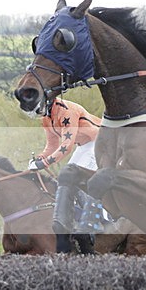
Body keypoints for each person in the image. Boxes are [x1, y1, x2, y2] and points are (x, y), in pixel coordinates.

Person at [27, 97, 101, 254]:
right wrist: (40, 158)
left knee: (74, 177)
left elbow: (66, 146)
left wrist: (44, 164)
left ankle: (93, 221)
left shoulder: (66, 111)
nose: (39, 115)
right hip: (83, 145)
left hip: (98, 141)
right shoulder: (47, 118)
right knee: (65, 177)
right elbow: (52, 145)